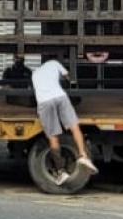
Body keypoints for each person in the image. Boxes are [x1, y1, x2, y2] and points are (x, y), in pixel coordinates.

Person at [31, 53, 97, 182]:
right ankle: (83, 155)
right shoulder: (55, 63)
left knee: (53, 136)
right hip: (60, 96)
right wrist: (71, 81)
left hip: (44, 101)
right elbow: (70, 78)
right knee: (74, 127)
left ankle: (60, 171)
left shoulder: (35, 73)